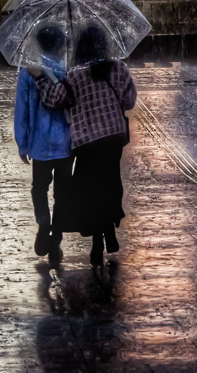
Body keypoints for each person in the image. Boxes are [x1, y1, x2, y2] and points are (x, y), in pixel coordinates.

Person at [33, 26, 136, 267]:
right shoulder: (119, 68)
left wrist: (39, 76)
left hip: (87, 143)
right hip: (113, 138)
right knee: (109, 184)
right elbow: (129, 101)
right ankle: (104, 236)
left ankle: (97, 239)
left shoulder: (76, 75)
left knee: (89, 191)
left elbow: (54, 99)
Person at [14, 24, 72, 263]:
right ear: (59, 46)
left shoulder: (28, 72)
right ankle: (56, 237)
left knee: (39, 188)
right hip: (66, 144)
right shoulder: (69, 70)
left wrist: (23, 142)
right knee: (63, 193)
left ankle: (43, 221)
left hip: (40, 145)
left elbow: (23, 110)